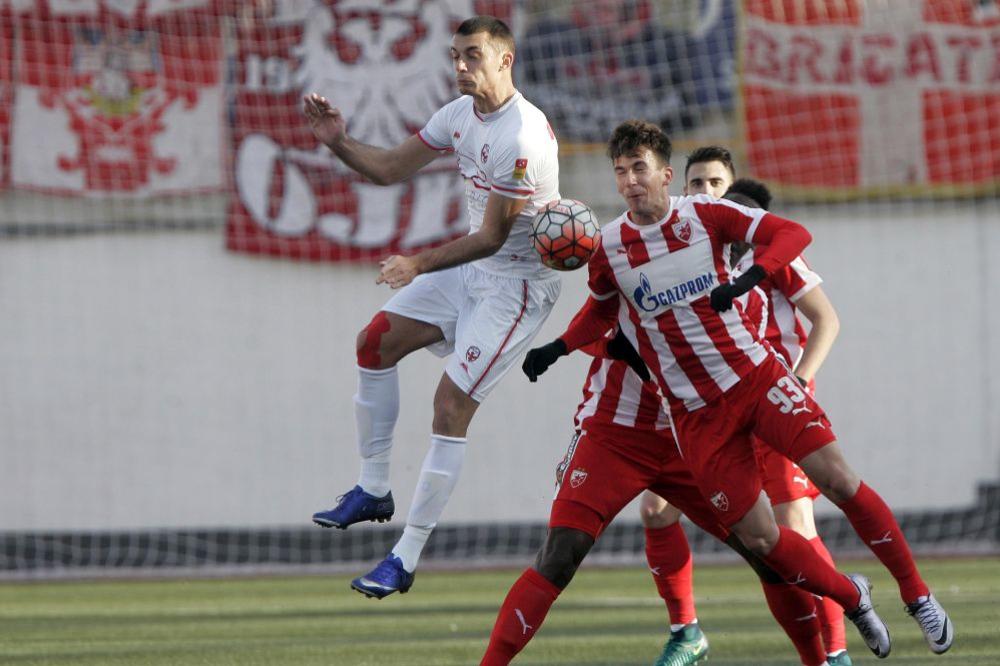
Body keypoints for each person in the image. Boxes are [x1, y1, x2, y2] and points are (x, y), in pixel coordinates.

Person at [522, 120, 953, 659]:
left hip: (756, 381)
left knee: (839, 480)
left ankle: (917, 596)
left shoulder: (706, 216)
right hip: (696, 417)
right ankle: (849, 596)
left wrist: (752, 276)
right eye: (620, 171)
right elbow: (601, 312)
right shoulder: (608, 247)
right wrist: (558, 347)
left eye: (640, 168)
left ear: (665, 175)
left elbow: (792, 235)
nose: (630, 180)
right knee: (762, 541)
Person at [302, 15, 562, 599]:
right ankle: (372, 488)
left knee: (449, 407)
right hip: (471, 272)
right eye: (455, 56)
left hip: (516, 288)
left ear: (505, 58)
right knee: (375, 341)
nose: (460, 66)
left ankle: (405, 555)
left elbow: (495, 237)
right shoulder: (457, 115)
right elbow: (392, 168)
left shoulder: (523, 136)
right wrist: (339, 141)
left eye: (472, 55)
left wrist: (417, 263)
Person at [480, 295, 835, 666]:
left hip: (691, 437)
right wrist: (597, 347)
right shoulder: (631, 253)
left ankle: (823, 654)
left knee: (765, 548)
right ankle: (685, 630)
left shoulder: (739, 292)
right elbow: (591, 326)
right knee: (561, 552)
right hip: (614, 433)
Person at [638, 147, 852, 665]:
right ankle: (686, 630)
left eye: (716, 183)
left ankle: (837, 653)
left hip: (770, 403)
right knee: (656, 508)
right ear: (680, 189)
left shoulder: (764, 248)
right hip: (707, 407)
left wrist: (798, 382)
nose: (705, 192)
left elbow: (825, 319)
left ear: (733, 191)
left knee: (794, 532)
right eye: (696, 183)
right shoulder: (674, 255)